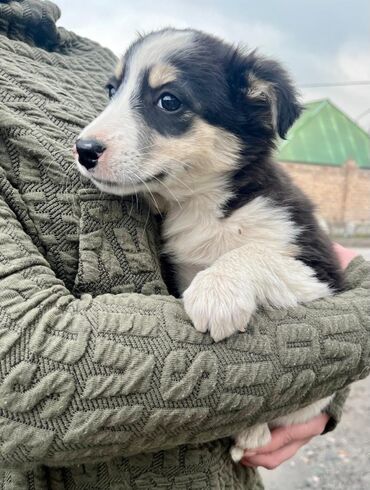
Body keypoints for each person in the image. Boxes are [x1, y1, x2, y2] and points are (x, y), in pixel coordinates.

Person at [0, 1, 369, 488]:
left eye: (168, 103)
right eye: (114, 93)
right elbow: (28, 372)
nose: (91, 136)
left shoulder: (84, 52)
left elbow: (323, 287)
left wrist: (320, 394)